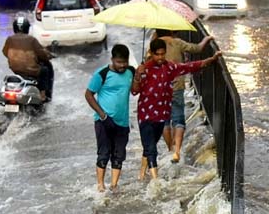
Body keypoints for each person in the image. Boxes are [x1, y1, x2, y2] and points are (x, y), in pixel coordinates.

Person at [132, 38, 221, 180]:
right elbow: (134, 91)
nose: (160, 57)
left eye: (163, 54)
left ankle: (142, 174)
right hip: (146, 115)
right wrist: (137, 76)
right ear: (151, 53)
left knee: (150, 145)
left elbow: (191, 66)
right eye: (157, 54)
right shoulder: (144, 69)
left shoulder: (170, 68)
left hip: (161, 115)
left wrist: (211, 59)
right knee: (151, 149)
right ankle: (156, 181)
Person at [152, 29, 215, 163]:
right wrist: (206, 39)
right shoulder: (177, 42)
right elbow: (197, 48)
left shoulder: (154, 45)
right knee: (178, 119)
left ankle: (170, 148)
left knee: (164, 121)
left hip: (159, 89)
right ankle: (177, 151)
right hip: (177, 86)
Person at [85, 44, 136, 192]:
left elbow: (134, 91)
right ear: (112, 59)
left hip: (123, 121)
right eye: (119, 62)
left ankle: (114, 186)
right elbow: (88, 95)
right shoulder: (102, 74)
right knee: (103, 154)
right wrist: (102, 115)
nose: (122, 65)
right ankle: (100, 186)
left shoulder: (130, 72)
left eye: (125, 62)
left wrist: (139, 76)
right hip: (104, 121)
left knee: (119, 155)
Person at [2, 15, 55, 102]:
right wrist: (50, 55)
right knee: (45, 70)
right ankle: (43, 95)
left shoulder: (9, 39)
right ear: (27, 28)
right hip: (31, 71)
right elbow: (42, 54)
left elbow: (5, 52)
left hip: (16, 70)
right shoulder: (31, 40)